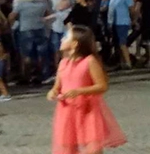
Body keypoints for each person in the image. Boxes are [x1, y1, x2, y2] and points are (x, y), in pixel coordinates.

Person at [49, 25, 126, 154]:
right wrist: (52, 93)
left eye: (66, 37)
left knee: (92, 147)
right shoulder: (63, 63)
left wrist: (80, 91)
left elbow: (102, 85)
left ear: (75, 44)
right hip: (67, 111)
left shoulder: (89, 61)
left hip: (87, 110)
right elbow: (57, 87)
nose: (62, 39)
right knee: (67, 146)